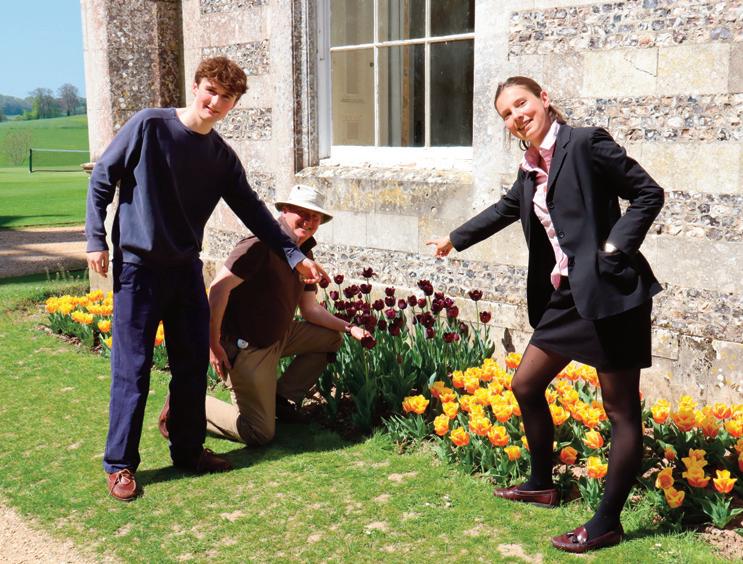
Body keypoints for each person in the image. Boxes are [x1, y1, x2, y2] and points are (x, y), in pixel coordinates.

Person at [428, 76, 664, 553]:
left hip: (610, 294)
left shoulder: (586, 143)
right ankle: (541, 483)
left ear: (544, 100)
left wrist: (614, 248)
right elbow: (504, 209)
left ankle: (607, 523)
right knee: (525, 384)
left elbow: (647, 193)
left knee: (620, 410)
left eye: (522, 104)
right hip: (565, 297)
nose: (517, 116)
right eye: (507, 114)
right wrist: (454, 238)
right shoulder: (530, 168)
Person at [85, 57, 327, 502]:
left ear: (233, 105)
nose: (215, 102)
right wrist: (95, 238)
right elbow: (103, 176)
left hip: (184, 272)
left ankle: (188, 450)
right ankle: (120, 464)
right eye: (211, 91)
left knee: (192, 365)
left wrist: (294, 255)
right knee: (132, 370)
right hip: (138, 271)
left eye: (226, 97)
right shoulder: (149, 126)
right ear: (196, 86)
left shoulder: (220, 157)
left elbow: (254, 211)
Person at [158, 184, 370, 446]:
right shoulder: (259, 244)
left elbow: (310, 309)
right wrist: (213, 343)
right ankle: (184, 403)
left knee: (330, 338)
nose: (309, 221)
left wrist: (350, 328)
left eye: (315, 216)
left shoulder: (304, 251)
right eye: (302, 213)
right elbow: (218, 289)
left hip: (280, 336)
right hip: (248, 346)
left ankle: (280, 399)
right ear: (285, 210)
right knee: (259, 432)